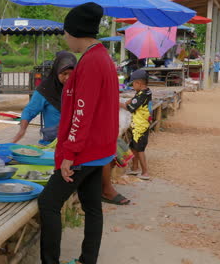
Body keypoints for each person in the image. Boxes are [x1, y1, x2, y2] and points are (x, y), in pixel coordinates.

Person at [38, 3, 119, 264]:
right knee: (92, 207)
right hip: (99, 150)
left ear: (75, 32)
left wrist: (70, 154)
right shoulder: (102, 57)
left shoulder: (91, 62)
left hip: (84, 152)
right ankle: (87, 260)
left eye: (66, 32)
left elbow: (81, 114)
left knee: (48, 203)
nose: (65, 37)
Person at [12, 51, 76, 145]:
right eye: (64, 73)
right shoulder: (46, 89)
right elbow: (30, 111)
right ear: (56, 72)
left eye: (71, 74)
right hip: (52, 141)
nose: (67, 78)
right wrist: (22, 130)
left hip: (74, 140)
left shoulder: (80, 88)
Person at [120, 69, 152, 180]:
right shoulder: (146, 92)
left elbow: (130, 108)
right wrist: (129, 100)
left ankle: (145, 172)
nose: (132, 86)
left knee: (140, 149)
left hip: (140, 127)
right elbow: (134, 100)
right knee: (133, 147)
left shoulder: (141, 96)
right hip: (139, 125)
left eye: (133, 84)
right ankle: (134, 168)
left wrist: (118, 103)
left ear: (138, 83)